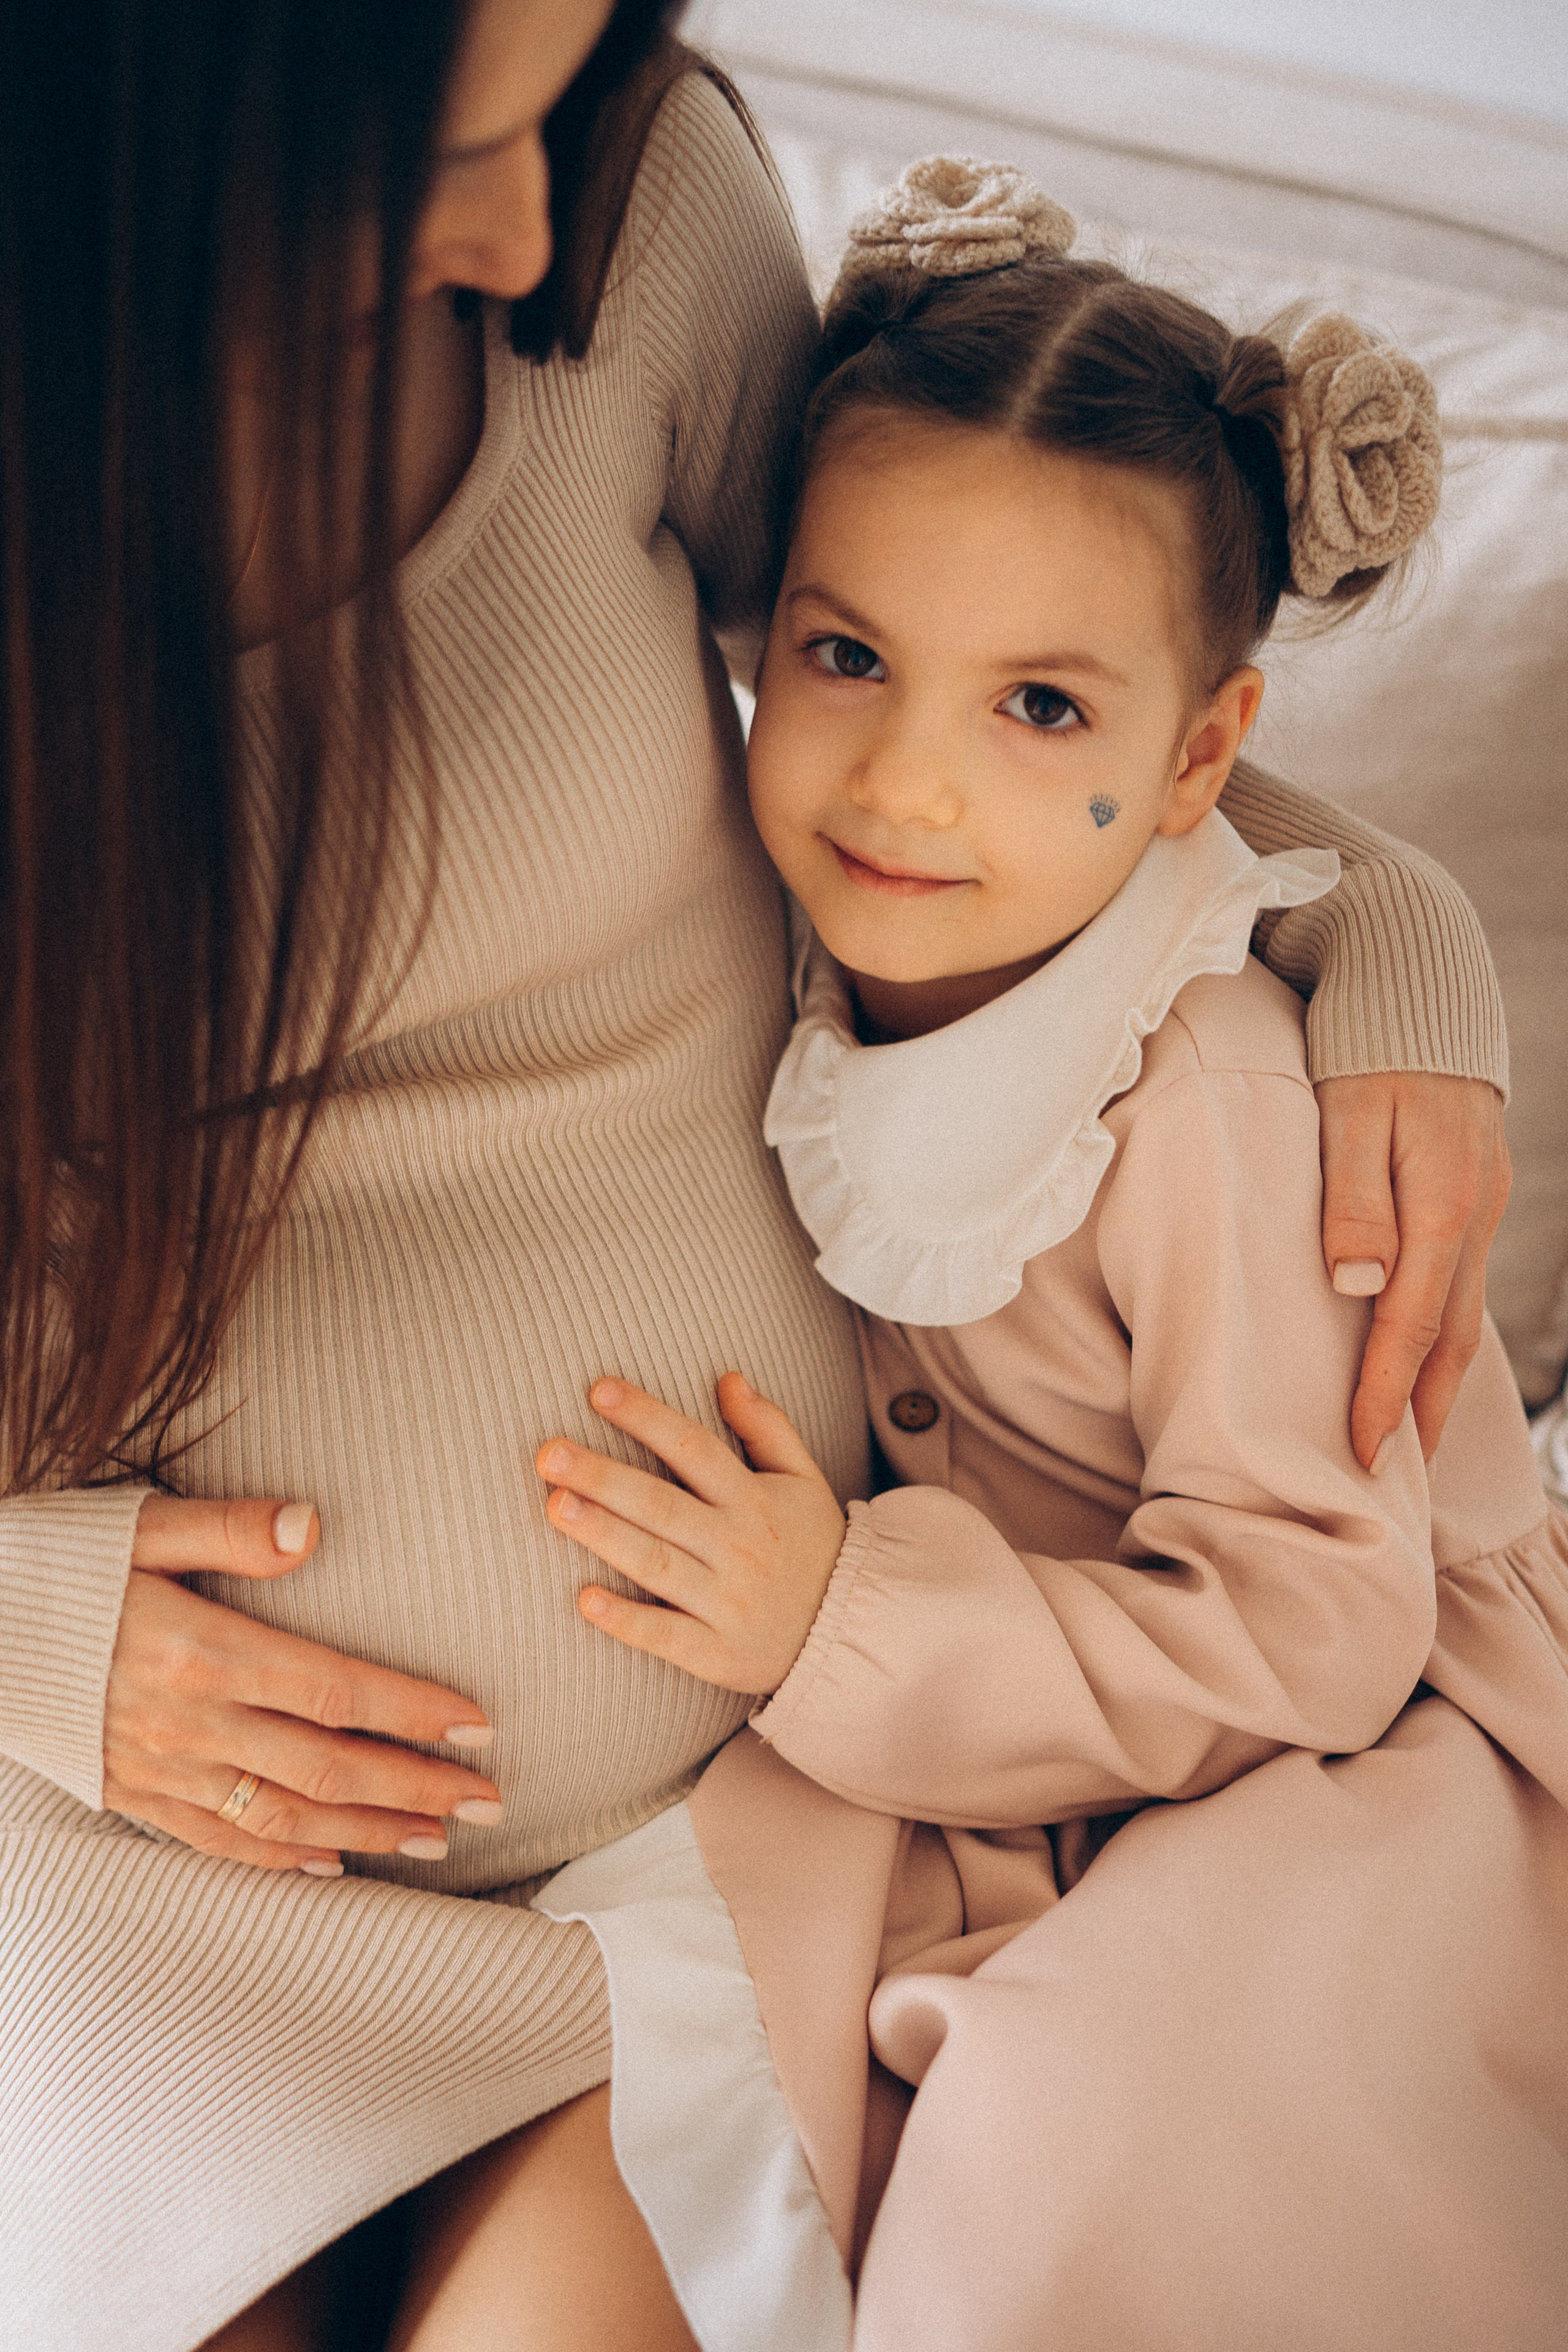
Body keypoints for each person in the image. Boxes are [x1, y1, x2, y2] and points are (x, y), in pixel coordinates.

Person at [0, 2, 1511, 2342]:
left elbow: (1007, 631)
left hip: (710, 1817)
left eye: (567, 98)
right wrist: (28, 1636)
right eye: (440, 147)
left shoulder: (608, 219)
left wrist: (1389, 936)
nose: (529, 227)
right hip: (113, 1843)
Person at [540, 161, 1568, 2349]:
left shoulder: (1195, 1099)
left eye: (1040, 711)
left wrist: (848, 1619)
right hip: (1066, 1675)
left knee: (1095, 2143)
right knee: (649, 2020)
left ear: (1204, 758)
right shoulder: (799, 924)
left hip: (1352, 1715)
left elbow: (1320, 1611)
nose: (905, 780)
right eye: (847, 656)